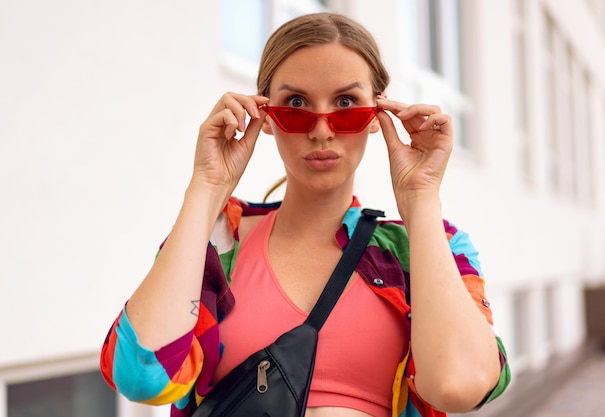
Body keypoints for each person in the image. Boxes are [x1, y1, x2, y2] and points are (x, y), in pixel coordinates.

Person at [100, 12, 510, 417]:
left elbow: (459, 386)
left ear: (377, 113)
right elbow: (142, 376)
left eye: (346, 103)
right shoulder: (219, 237)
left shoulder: (425, 247)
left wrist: (420, 198)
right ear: (265, 115)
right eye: (296, 103)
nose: (321, 129)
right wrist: (207, 186)